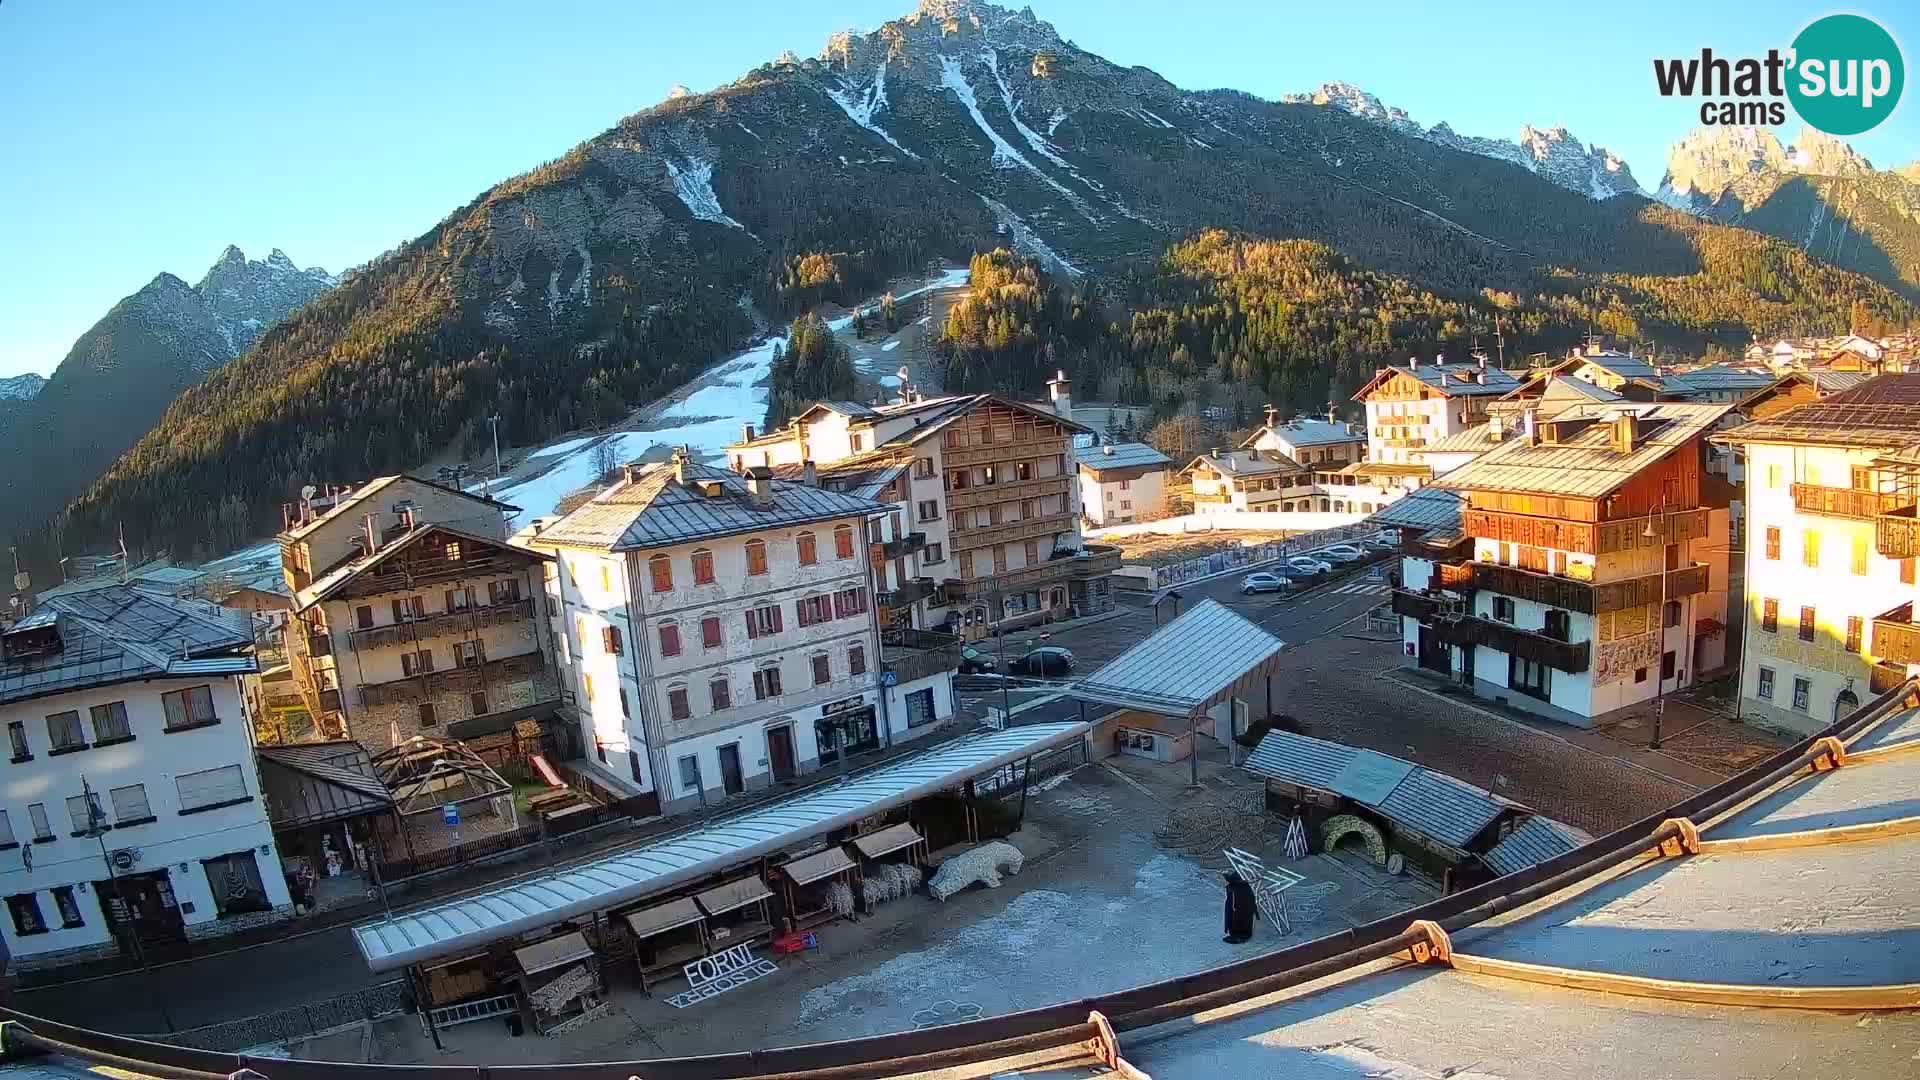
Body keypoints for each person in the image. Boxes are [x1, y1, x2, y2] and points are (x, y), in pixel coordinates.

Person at [1222, 870, 1256, 944]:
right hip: (1246, 913)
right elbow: (1252, 900)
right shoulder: (1246, 887)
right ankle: (1244, 935)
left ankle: (1239, 936)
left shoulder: (1233, 889)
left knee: (1235, 916)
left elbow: (1229, 909)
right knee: (1245, 916)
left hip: (1238, 913)